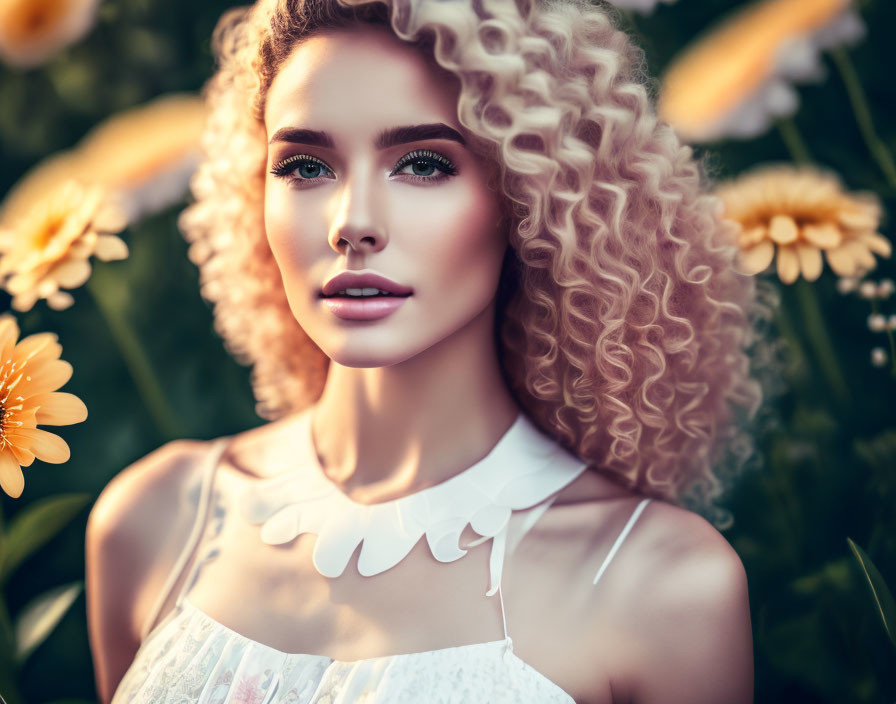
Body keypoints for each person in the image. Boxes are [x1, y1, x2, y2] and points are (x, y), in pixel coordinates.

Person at [85, 0, 766, 701]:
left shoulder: (661, 587)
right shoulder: (154, 520)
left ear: (532, 192)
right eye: (305, 167)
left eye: (422, 163)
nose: (352, 224)